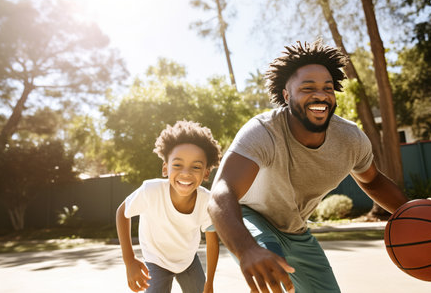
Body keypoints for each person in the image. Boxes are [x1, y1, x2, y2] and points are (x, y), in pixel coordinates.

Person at [208, 39, 410, 293]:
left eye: (328, 88)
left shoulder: (350, 139)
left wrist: (415, 211)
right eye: (307, 88)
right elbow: (221, 192)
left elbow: (373, 180)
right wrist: (247, 248)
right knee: (272, 273)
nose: (320, 95)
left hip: (295, 230)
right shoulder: (264, 132)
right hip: (250, 216)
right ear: (286, 95)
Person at [116, 120, 222, 293]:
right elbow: (122, 212)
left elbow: (212, 242)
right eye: (178, 165)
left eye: (196, 166)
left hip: (188, 261)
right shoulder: (151, 191)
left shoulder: (207, 201)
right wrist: (129, 260)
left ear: (206, 173)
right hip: (156, 261)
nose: (186, 173)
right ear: (165, 168)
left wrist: (209, 283)